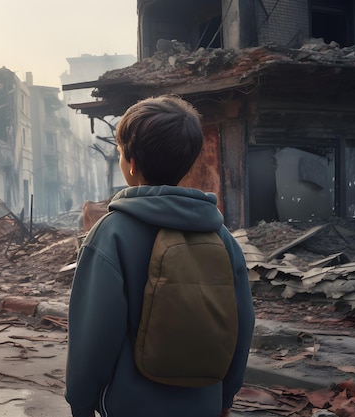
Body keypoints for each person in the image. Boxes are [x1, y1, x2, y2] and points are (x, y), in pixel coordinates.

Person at [65, 95, 255, 417]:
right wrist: (225, 397)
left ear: (132, 163)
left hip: (131, 407)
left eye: (121, 152)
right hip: (203, 403)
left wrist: (81, 404)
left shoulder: (112, 233)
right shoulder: (221, 237)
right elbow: (241, 323)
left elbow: (93, 334)